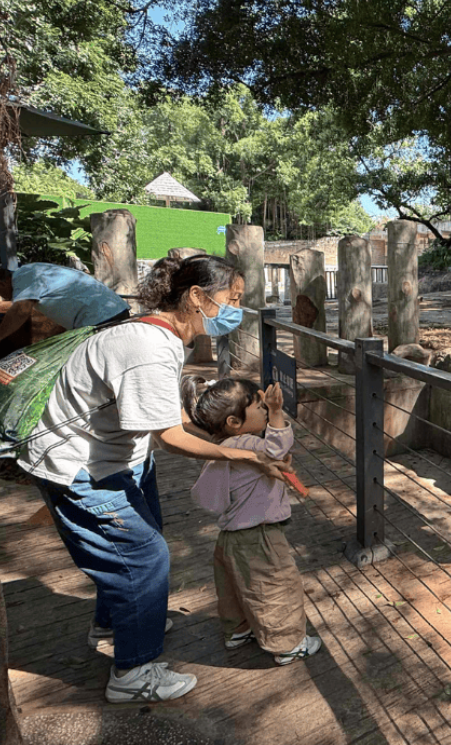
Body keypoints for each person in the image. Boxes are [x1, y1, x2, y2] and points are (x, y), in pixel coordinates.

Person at [19, 254, 298, 703]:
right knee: (145, 561)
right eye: (232, 299)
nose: (235, 309)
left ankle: (117, 622)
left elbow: (159, 419)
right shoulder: (149, 346)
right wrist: (244, 459)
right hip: (81, 467)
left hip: (118, 457)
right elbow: (169, 438)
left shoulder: (160, 335)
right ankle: (132, 672)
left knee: (138, 552)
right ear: (196, 297)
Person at [183, 376, 322, 666]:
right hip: (259, 535)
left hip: (231, 536)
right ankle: (288, 645)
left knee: (234, 586)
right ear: (234, 421)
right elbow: (279, 447)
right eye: (259, 408)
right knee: (274, 588)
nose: (264, 411)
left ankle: (238, 630)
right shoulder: (247, 444)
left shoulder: (223, 446)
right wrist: (277, 412)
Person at [0, 263, 130, 350]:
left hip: (103, 317)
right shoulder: (32, 271)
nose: (3, 298)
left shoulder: (22, 277)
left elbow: (21, 310)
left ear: (0, 283)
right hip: (110, 313)